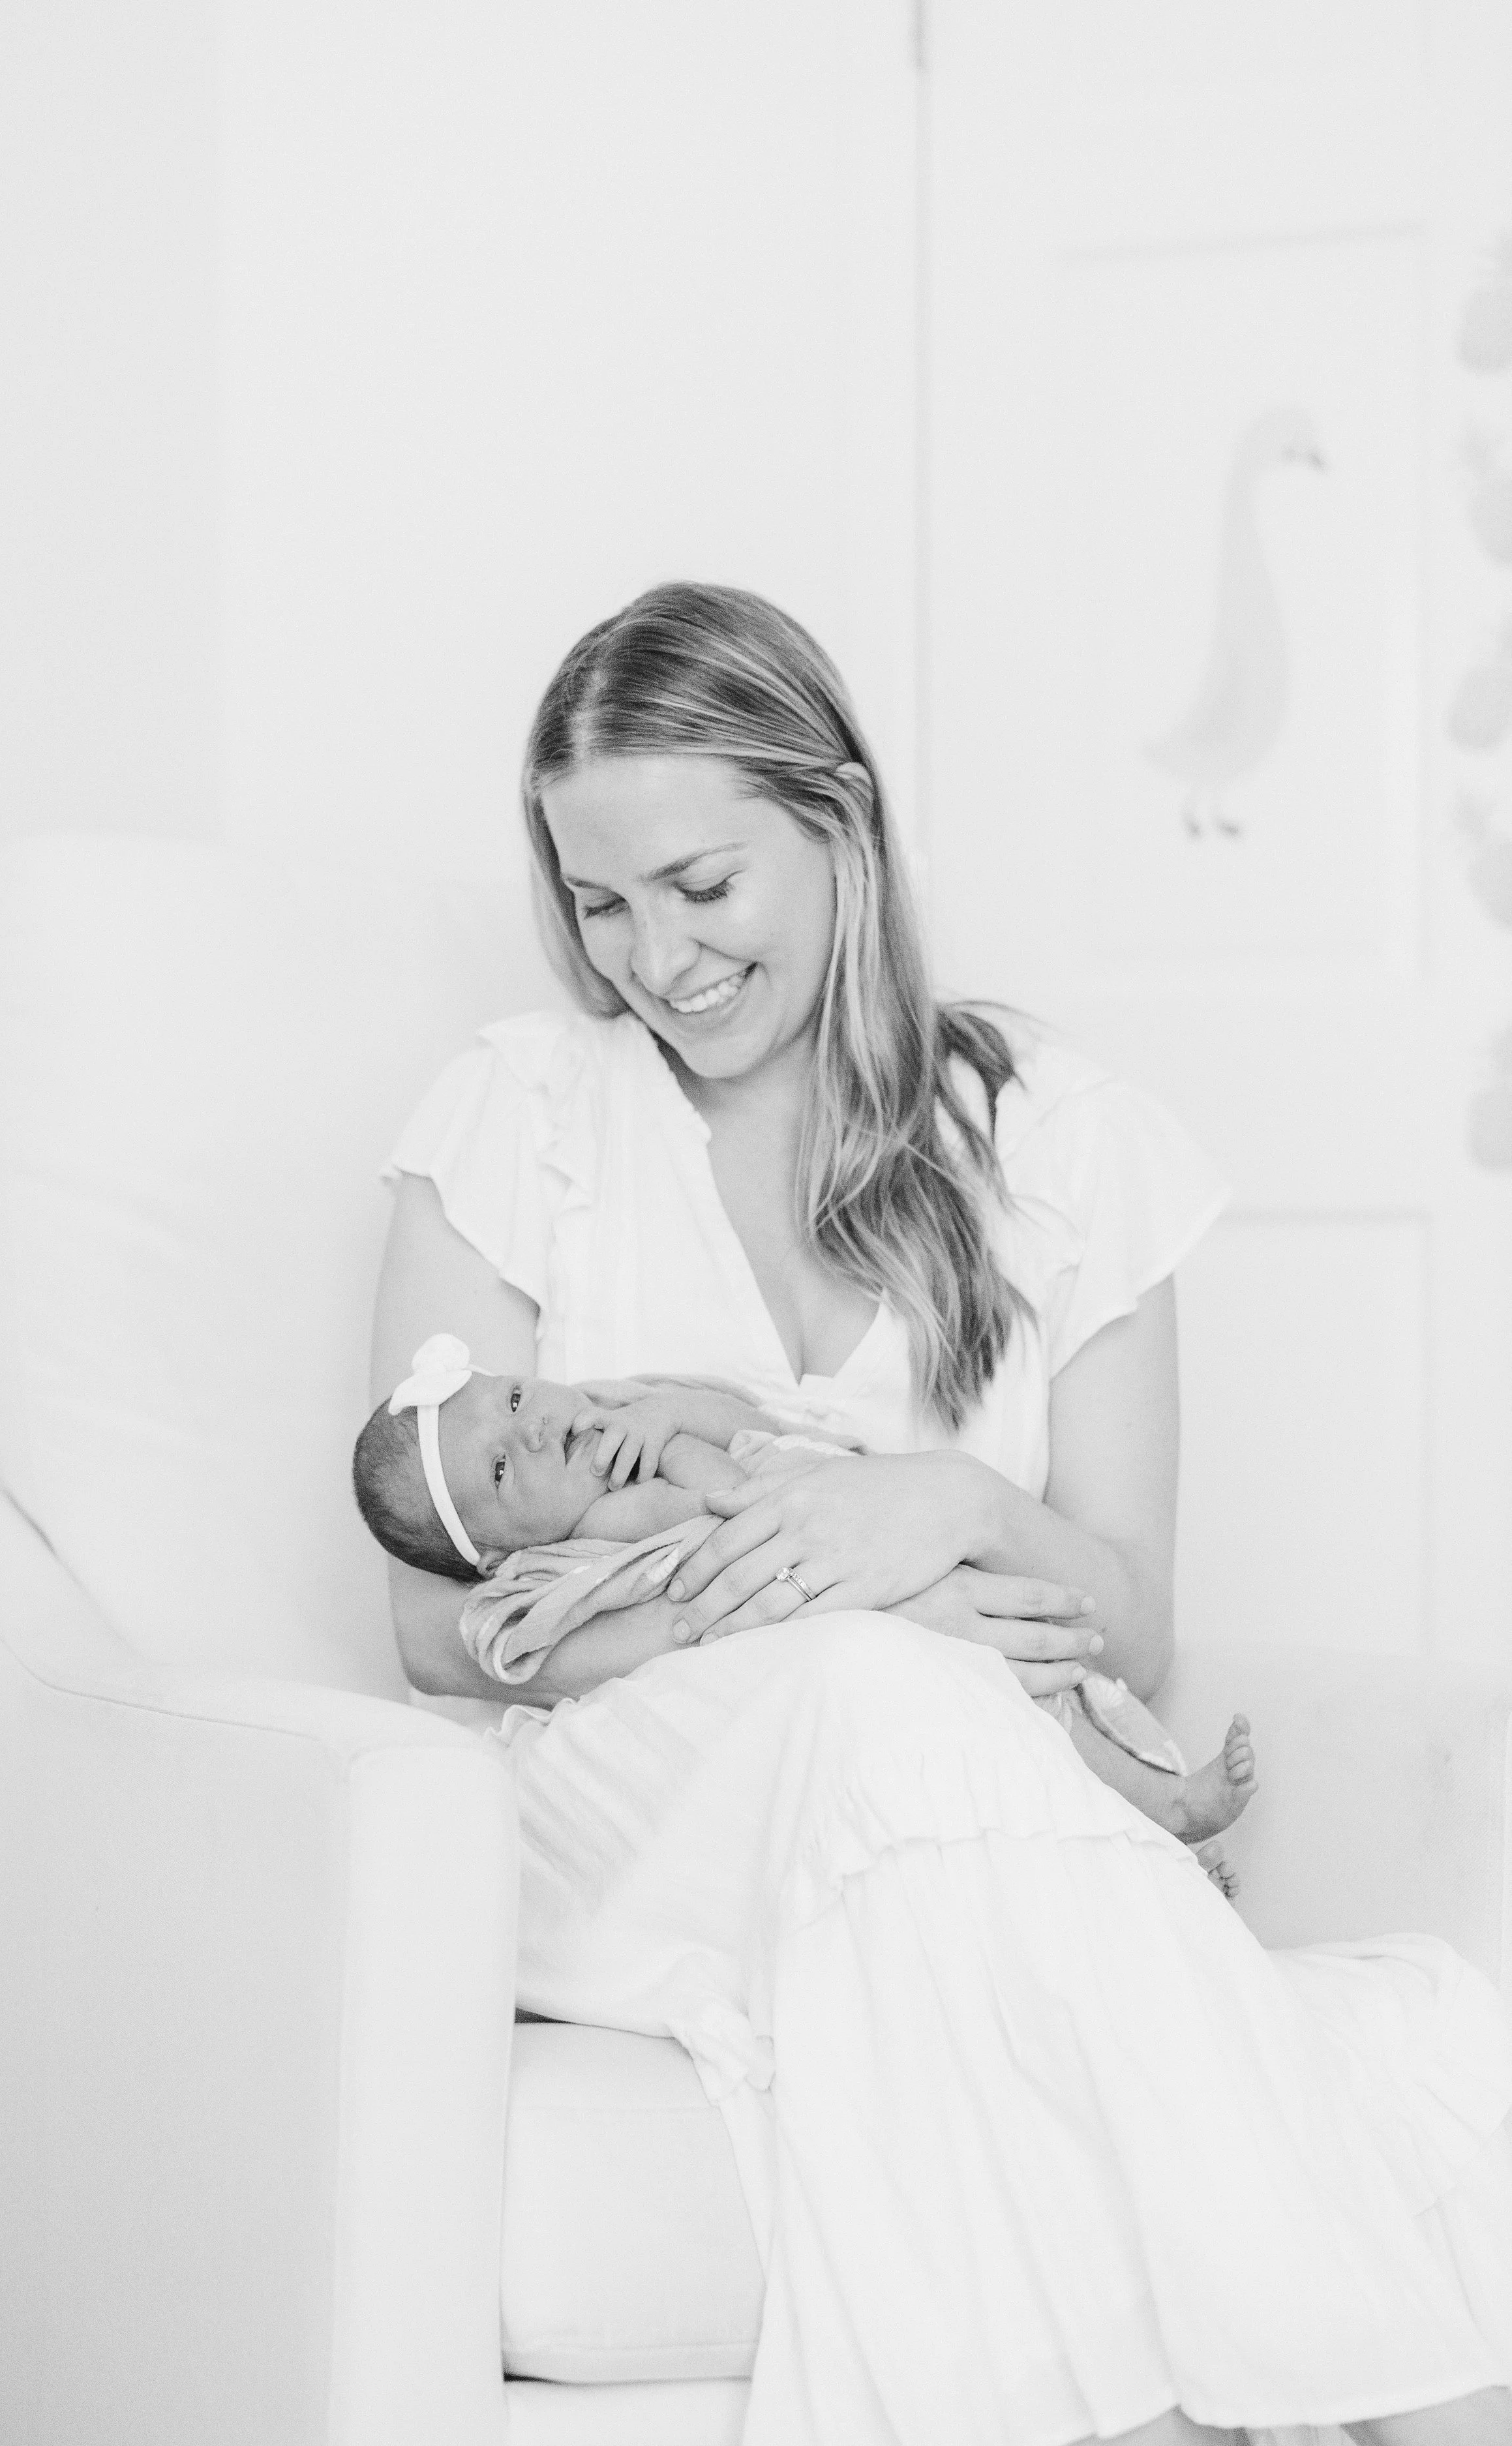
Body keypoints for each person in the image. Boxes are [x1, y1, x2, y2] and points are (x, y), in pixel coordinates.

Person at [371, 581, 1512, 2443]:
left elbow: (1122, 1612)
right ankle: (1425, 2394)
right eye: (598, 902)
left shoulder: (1057, 1139)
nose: (653, 959)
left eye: (700, 885)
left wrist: (948, 1501)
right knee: (877, 1699)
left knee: (931, 1879)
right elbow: (428, 1615)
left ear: (840, 820)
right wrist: (818, 1604)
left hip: (942, 1817)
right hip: (617, 1808)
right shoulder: (518, 1113)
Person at [352, 1337, 1259, 1859]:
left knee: (1049, 1681)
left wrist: (665, 1419)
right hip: (830, 1626)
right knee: (1018, 1709)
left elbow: (748, 1433)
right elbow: (712, 1543)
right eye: (505, 1467)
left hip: (885, 1553)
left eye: (514, 1396)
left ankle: (1154, 1818)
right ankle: (1166, 1812)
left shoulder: (629, 1416)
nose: (538, 1426)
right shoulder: (583, 1553)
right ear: (501, 1547)